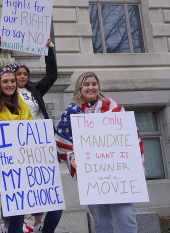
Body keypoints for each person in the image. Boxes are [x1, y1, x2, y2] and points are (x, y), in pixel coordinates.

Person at [0, 36, 62, 233]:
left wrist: (49, 48)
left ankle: (39, 226)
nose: (15, 82)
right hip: (7, 164)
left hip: (32, 155)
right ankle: (6, 226)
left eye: (23, 75)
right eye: (10, 79)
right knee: (15, 214)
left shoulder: (29, 97)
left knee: (55, 206)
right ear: (0, 83)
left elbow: (52, 75)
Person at [55, 71, 145, 233]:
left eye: (94, 84)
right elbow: (62, 142)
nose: (91, 88)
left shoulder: (113, 107)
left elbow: (131, 135)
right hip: (93, 177)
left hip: (119, 176)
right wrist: (72, 158)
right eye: (86, 84)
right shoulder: (71, 113)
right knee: (102, 222)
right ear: (79, 88)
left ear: (98, 87)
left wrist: (137, 159)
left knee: (126, 217)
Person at [0, 66, 33, 233]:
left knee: (20, 213)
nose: (10, 84)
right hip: (4, 168)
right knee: (15, 214)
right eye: (5, 81)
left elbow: (32, 132)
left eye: (12, 81)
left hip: (24, 165)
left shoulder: (22, 106)